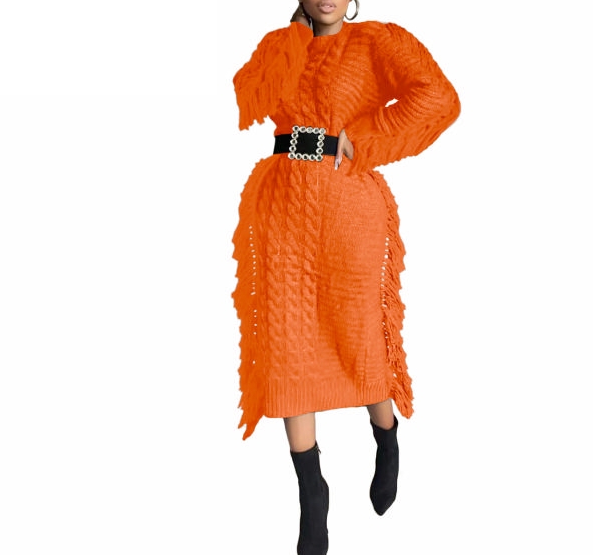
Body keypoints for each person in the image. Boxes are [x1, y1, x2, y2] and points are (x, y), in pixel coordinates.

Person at [231, 1, 460, 553]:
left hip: (349, 209)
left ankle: (387, 438)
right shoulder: (279, 44)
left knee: (357, 337)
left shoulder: (376, 41)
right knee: (286, 345)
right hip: (283, 210)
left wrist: (367, 135)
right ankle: (312, 494)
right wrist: (291, 44)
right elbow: (247, 97)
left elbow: (439, 97)